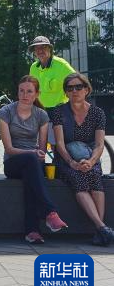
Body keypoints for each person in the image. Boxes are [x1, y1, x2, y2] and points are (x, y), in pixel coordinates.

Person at [0, 76, 67, 244]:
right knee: (31, 160)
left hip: (33, 163)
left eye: (29, 91)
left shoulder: (41, 115)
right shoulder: (6, 112)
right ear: (17, 92)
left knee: (31, 177)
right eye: (21, 91)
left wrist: (39, 155)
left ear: (36, 94)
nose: (25, 95)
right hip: (13, 163)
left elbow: (42, 149)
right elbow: (9, 149)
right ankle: (50, 212)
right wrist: (33, 153)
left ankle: (32, 232)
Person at [52, 73, 114, 245]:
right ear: (66, 92)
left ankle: (100, 231)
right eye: (70, 88)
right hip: (66, 159)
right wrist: (72, 163)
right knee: (78, 177)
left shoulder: (97, 113)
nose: (74, 91)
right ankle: (102, 228)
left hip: (90, 158)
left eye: (78, 87)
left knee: (94, 176)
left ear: (86, 90)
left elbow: (99, 144)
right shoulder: (59, 112)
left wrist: (91, 161)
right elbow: (59, 144)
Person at [28, 36, 75, 110]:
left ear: (50, 48)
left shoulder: (61, 65)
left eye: (43, 47)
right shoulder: (33, 68)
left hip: (60, 111)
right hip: (39, 111)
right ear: (34, 51)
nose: (40, 51)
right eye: (37, 48)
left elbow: (77, 83)